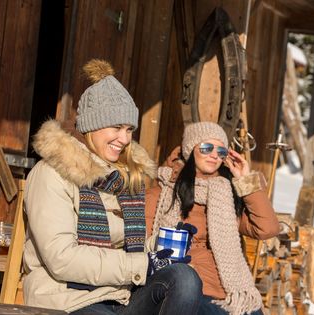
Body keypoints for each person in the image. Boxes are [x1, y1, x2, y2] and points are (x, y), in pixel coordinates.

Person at [23, 59, 202, 314]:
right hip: (69, 301)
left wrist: (161, 246)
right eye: (117, 127)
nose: (125, 139)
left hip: (121, 297)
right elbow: (62, 259)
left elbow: (130, 247)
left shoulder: (122, 178)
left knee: (185, 279)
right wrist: (143, 265)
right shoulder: (52, 174)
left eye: (129, 129)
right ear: (90, 126)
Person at [146, 122, 280, 315]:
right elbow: (142, 242)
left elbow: (267, 228)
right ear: (190, 150)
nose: (214, 155)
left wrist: (246, 180)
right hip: (189, 289)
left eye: (221, 151)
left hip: (232, 292)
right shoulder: (163, 192)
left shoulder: (227, 195)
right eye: (206, 147)